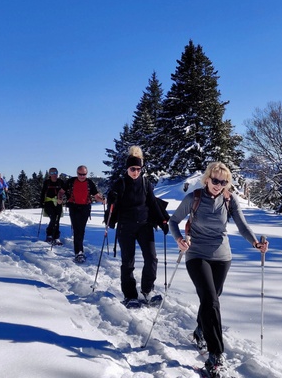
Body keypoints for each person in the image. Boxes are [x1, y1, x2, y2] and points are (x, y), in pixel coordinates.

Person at [168, 162, 268, 377]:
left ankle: (200, 331)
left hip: (222, 257)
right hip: (196, 255)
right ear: (207, 179)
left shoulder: (229, 200)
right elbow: (173, 221)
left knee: (210, 299)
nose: (218, 185)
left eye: (223, 182)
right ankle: (215, 355)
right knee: (211, 300)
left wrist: (255, 243)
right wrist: (179, 240)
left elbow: (242, 225)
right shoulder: (194, 198)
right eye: (215, 181)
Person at [106, 146, 169, 308]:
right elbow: (112, 198)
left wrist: (162, 221)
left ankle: (147, 290)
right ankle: (130, 295)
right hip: (125, 226)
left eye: (138, 169)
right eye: (133, 169)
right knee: (128, 261)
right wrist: (112, 197)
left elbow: (153, 203)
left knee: (152, 258)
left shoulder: (145, 183)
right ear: (127, 168)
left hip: (145, 226)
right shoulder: (120, 183)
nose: (135, 172)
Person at [64, 165, 105, 262]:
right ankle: (79, 252)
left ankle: (79, 251)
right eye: (80, 174)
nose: (82, 176)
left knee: (81, 230)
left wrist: (102, 200)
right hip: (73, 207)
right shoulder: (71, 181)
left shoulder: (89, 183)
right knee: (76, 229)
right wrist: (60, 197)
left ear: (86, 173)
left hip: (85, 208)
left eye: (84, 174)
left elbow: (96, 196)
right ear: (77, 173)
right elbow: (62, 191)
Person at [40, 167, 66, 245]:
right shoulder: (47, 182)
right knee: (53, 217)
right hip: (48, 202)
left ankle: (56, 237)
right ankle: (49, 234)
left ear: (57, 173)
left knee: (57, 219)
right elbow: (43, 192)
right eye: (52, 173)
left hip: (58, 202)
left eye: (55, 173)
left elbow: (65, 191)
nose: (54, 175)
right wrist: (42, 202)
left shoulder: (60, 182)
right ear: (49, 174)